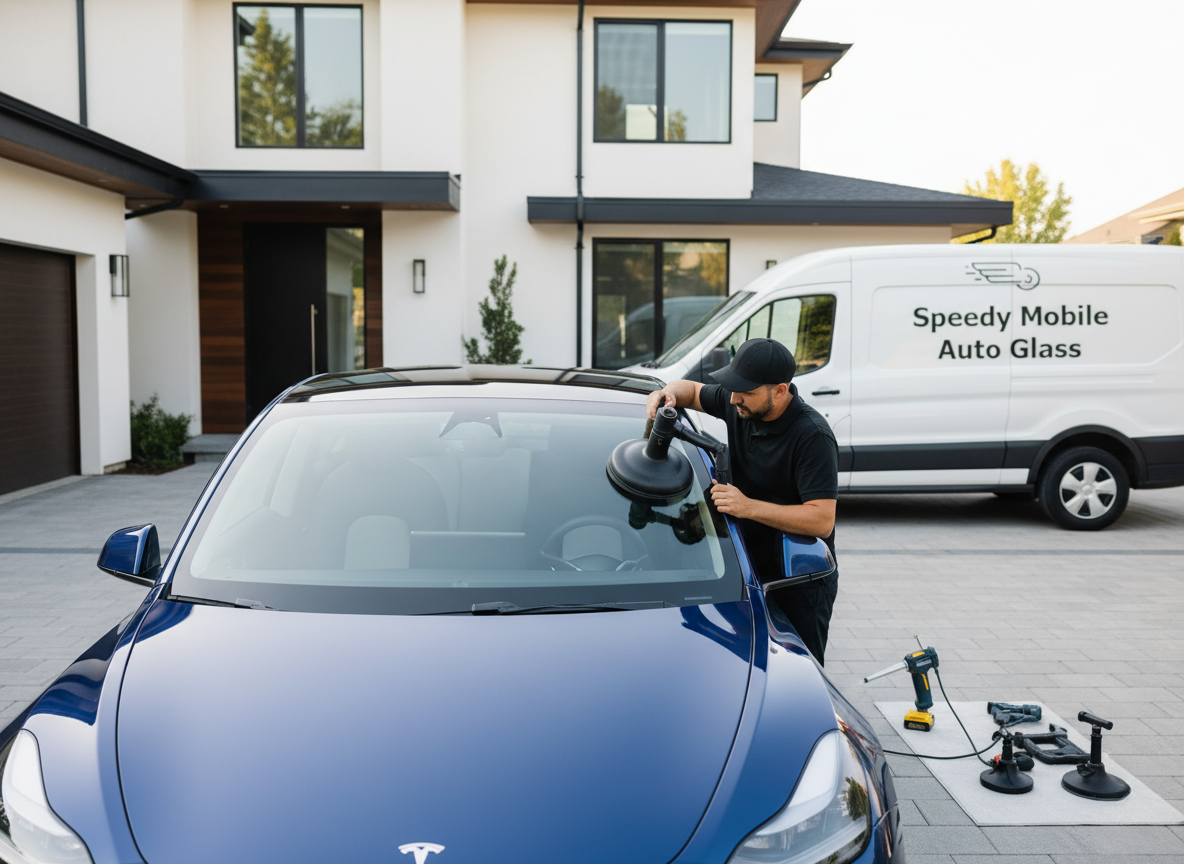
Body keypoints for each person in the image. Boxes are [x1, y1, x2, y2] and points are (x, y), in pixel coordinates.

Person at [645, 337, 840, 665]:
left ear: (779, 391)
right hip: (743, 568)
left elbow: (822, 519)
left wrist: (747, 506)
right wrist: (665, 395)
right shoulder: (740, 402)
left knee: (793, 673)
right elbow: (690, 391)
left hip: (796, 579)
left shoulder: (812, 437)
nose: (733, 398)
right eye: (733, 388)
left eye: (745, 392)